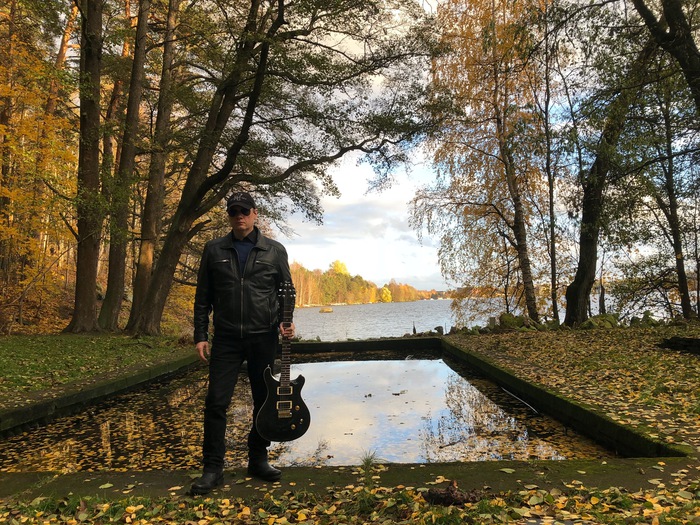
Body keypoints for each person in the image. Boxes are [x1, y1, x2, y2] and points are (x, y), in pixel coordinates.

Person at [190, 191, 296, 495]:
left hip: (263, 336)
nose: (239, 216)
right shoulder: (214, 250)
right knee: (216, 402)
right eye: (233, 211)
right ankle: (212, 468)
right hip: (225, 338)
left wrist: (286, 321)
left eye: (244, 211)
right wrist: (201, 335)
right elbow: (203, 297)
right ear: (229, 215)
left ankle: (258, 459)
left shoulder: (274, 250)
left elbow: (286, 290)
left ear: (255, 213)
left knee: (263, 400)